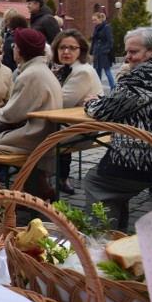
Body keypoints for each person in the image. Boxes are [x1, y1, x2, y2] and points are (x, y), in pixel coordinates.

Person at [83, 27, 152, 231]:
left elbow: (103, 112)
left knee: (98, 183)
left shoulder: (145, 74)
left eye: (133, 52)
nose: (128, 58)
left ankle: (102, 243)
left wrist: (90, 102)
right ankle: (116, 238)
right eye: (127, 52)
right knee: (113, 185)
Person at [0, 28, 63, 199]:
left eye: (15, 45)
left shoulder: (30, 74)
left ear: (21, 50)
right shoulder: (41, 70)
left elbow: (14, 112)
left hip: (34, 134)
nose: (12, 48)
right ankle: (38, 186)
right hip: (43, 131)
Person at [50, 29, 104, 194]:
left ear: (81, 51)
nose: (66, 51)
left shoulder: (82, 72)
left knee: (40, 136)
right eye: (62, 47)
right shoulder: (69, 68)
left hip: (83, 130)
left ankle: (49, 182)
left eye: (72, 48)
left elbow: (60, 104)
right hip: (73, 124)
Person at [90, 12, 115, 89]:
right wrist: (91, 51)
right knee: (97, 71)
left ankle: (113, 87)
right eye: (93, 20)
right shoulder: (96, 28)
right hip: (97, 52)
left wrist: (105, 49)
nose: (94, 22)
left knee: (107, 71)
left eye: (95, 20)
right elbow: (94, 41)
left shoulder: (106, 27)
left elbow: (110, 40)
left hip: (104, 53)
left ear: (100, 19)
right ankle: (98, 88)